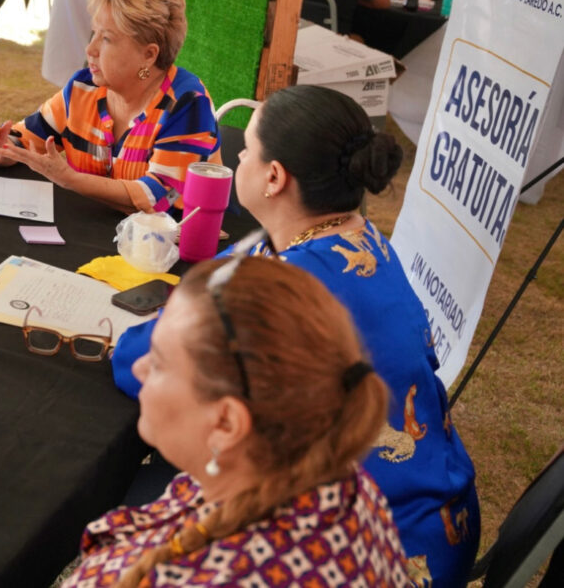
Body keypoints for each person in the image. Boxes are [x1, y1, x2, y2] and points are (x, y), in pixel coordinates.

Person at [113, 85, 479, 586]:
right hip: (436, 515)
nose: (237, 158)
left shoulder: (284, 288)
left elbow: (139, 360)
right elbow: (232, 271)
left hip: (373, 554)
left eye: (245, 152)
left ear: (274, 177)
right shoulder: (358, 236)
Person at [65, 256, 410, 587]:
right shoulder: (340, 480)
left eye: (157, 363)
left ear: (227, 423)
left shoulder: (185, 576)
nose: (138, 368)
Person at [0, 0, 219, 214]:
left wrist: (70, 180)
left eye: (107, 39)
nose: (90, 49)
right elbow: (26, 139)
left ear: (149, 55)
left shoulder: (187, 104)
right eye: (94, 33)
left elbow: (163, 200)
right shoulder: (84, 88)